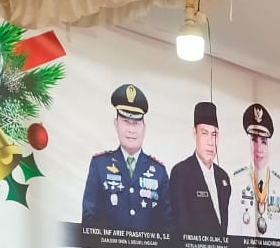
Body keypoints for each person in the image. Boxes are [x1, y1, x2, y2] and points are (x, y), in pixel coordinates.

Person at [82, 84, 171, 231]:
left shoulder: (159, 172)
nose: (131, 129)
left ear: (144, 128)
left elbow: (168, 226)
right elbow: (89, 220)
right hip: (108, 246)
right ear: (116, 124)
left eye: (136, 123)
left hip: (147, 247)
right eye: (126, 122)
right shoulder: (99, 165)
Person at [168, 101, 230, 236]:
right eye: (204, 133)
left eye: (214, 134)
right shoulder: (181, 173)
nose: (210, 142)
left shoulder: (223, 177)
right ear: (195, 133)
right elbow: (180, 228)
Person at [229, 103, 280, 239]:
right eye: (254, 140)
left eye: (263, 141)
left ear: (269, 145)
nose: (259, 148)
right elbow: (232, 234)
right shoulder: (237, 182)